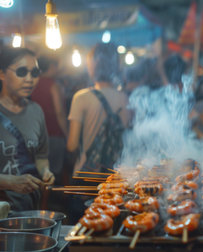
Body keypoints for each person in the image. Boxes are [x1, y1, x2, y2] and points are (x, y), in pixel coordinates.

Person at [0, 47, 54, 211]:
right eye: (22, 72)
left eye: (35, 73)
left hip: (27, 209)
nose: (29, 79)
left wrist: (45, 172)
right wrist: (9, 182)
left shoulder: (36, 111)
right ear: (2, 74)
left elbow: (41, 156)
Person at [66, 43, 130, 175]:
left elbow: (72, 145)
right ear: (116, 66)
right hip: (114, 174)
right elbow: (125, 138)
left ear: (92, 66)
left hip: (86, 173)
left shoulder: (81, 97)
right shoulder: (124, 98)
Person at [31, 56, 68, 185]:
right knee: (52, 174)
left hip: (36, 135)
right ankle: (49, 201)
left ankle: (43, 201)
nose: (58, 69)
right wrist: (67, 134)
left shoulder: (33, 82)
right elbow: (60, 112)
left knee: (40, 173)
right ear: (51, 66)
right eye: (56, 65)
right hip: (53, 135)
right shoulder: (53, 85)